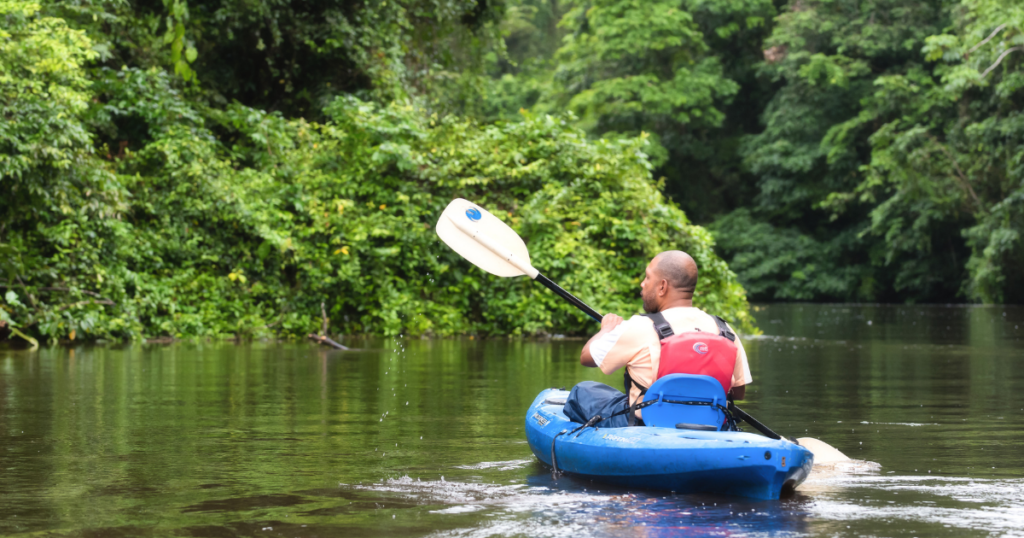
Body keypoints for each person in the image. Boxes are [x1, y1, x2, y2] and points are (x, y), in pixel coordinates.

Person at [562, 250, 752, 427]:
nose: (642, 283)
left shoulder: (640, 326)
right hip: (710, 424)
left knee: (582, 391)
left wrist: (606, 329)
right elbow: (738, 392)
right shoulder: (724, 330)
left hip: (645, 425)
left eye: (647, 277)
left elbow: (587, 358)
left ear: (662, 286)